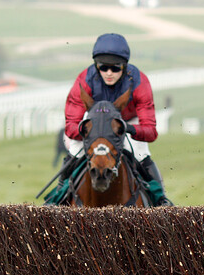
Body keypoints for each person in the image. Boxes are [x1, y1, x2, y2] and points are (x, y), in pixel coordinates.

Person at [51, 33, 173, 206]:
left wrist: (128, 129)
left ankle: (161, 202)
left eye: (115, 68)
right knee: (74, 152)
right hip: (92, 124)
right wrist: (88, 131)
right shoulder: (84, 80)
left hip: (125, 123)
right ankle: (58, 199)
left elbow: (151, 132)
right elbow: (71, 127)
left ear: (124, 66)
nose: (109, 73)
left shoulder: (139, 81)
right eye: (103, 67)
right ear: (96, 65)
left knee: (141, 153)